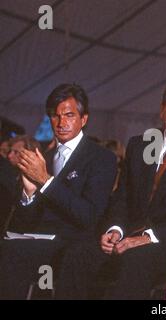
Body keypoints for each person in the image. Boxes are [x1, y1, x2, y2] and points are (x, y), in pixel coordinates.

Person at [55, 80, 166, 299]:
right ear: (162, 110)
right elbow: (122, 197)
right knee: (78, 255)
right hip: (127, 234)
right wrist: (115, 229)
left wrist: (149, 237)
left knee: (134, 262)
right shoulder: (140, 145)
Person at [0, 83, 117, 299]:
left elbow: (89, 215)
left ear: (84, 119)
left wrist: (45, 181)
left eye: (69, 115)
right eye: (55, 116)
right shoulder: (42, 155)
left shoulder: (101, 158)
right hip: (35, 238)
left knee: (9, 253)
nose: (61, 123)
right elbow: (24, 219)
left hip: (73, 242)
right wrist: (28, 194)